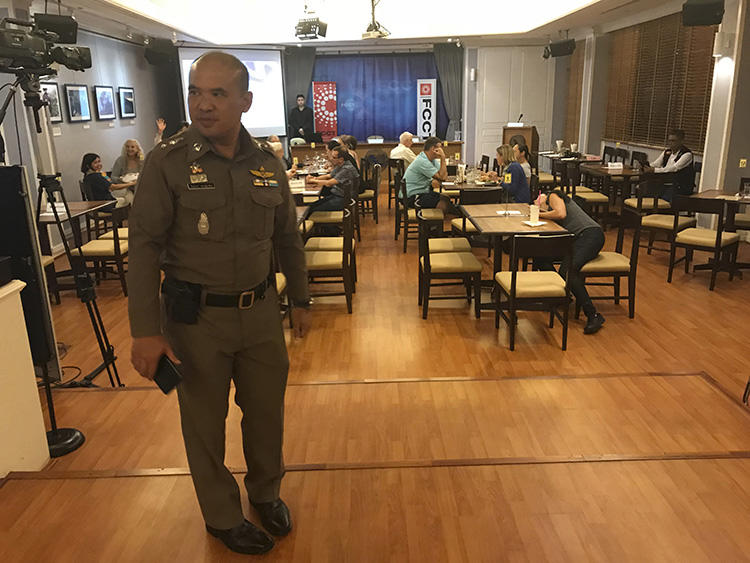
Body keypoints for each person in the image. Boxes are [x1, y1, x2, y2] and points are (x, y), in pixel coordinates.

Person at [128, 51, 311, 556]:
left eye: (217, 94)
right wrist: (145, 331)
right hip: (196, 320)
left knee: (266, 414)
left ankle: (265, 493)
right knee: (205, 425)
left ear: (245, 101)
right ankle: (222, 516)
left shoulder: (268, 166)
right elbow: (142, 247)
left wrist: (301, 298)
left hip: (260, 314)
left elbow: (287, 239)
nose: (203, 105)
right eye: (194, 92)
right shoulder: (167, 163)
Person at [537, 189, 606, 334]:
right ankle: (563, 295)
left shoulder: (553, 195)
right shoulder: (549, 207)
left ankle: (593, 314)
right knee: (540, 257)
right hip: (576, 240)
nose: (538, 204)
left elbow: (561, 213)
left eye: (538, 201)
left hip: (590, 236)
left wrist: (539, 214)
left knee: (568, 271)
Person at [403, 136, 453, 212]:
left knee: (446, 198)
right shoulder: (422, 161)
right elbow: (442, 177)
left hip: (422, 191)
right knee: (443, 204)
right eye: (440, 148)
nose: (441, 150)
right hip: (411, 196)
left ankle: (460, 213)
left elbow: (443, 176)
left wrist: (442, 173)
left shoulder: (431, 160)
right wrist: (443, 157)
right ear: (433, 149)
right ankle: (435, 222)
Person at [643, 128, 694, 199]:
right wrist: (646, 167)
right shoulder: (667, 152)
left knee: (658, 194)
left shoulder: (687, 154)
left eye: (673, 141)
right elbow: (656, 164)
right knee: (645, 188)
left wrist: (654, 170)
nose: (670, 143)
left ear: (681, 141)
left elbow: (674, 168)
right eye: (669, 140)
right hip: (665, 182)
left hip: (679, 185)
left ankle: (660, 208)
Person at [306, 145, 358, 211]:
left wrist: (313, 181)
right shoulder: (340, 165)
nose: (331, 158)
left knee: (310, 210)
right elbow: (329, 176)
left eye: (333, 157)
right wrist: (315, 178)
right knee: (310, 206)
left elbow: (329, 183)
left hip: (343, 200)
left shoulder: (347, 169)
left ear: (341, 159)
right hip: (336, 195)